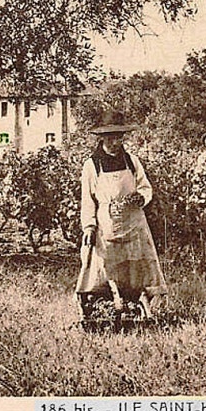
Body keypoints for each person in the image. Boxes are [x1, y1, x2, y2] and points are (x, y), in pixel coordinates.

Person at [76, 110, 168, 317]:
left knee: (136, 267)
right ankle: (104, 306)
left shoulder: (132, 162)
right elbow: (88, 199)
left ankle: (138, 306)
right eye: (110, 138)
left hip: (134, 222)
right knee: (105, 267)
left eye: (118, 137)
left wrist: (140, 198)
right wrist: (89, 226)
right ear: (101, 138)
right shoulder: (92, 165)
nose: (114, 143)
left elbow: (145, 187)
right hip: (106, 224)